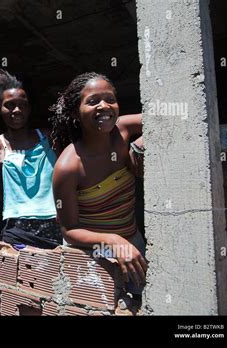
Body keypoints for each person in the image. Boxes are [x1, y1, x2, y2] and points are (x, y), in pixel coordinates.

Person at [49, 72, 146, 307]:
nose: (104, 106)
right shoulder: (68, 166)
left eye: (110, 99)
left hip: (133, 242)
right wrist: (114, 241)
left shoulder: (123, 131)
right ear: (75, 114)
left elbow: (164, 118)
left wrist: (140, 145)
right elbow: (69, 230)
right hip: (91, 254)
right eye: (93, 101)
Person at [0, 70, 62, 255]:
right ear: (0, 109)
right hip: (16, 229)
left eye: (22, 105)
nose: (16, 110)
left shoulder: (49, 138)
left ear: (29, 108)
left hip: (55, 225)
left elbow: (68, 177)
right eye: (9, 105)